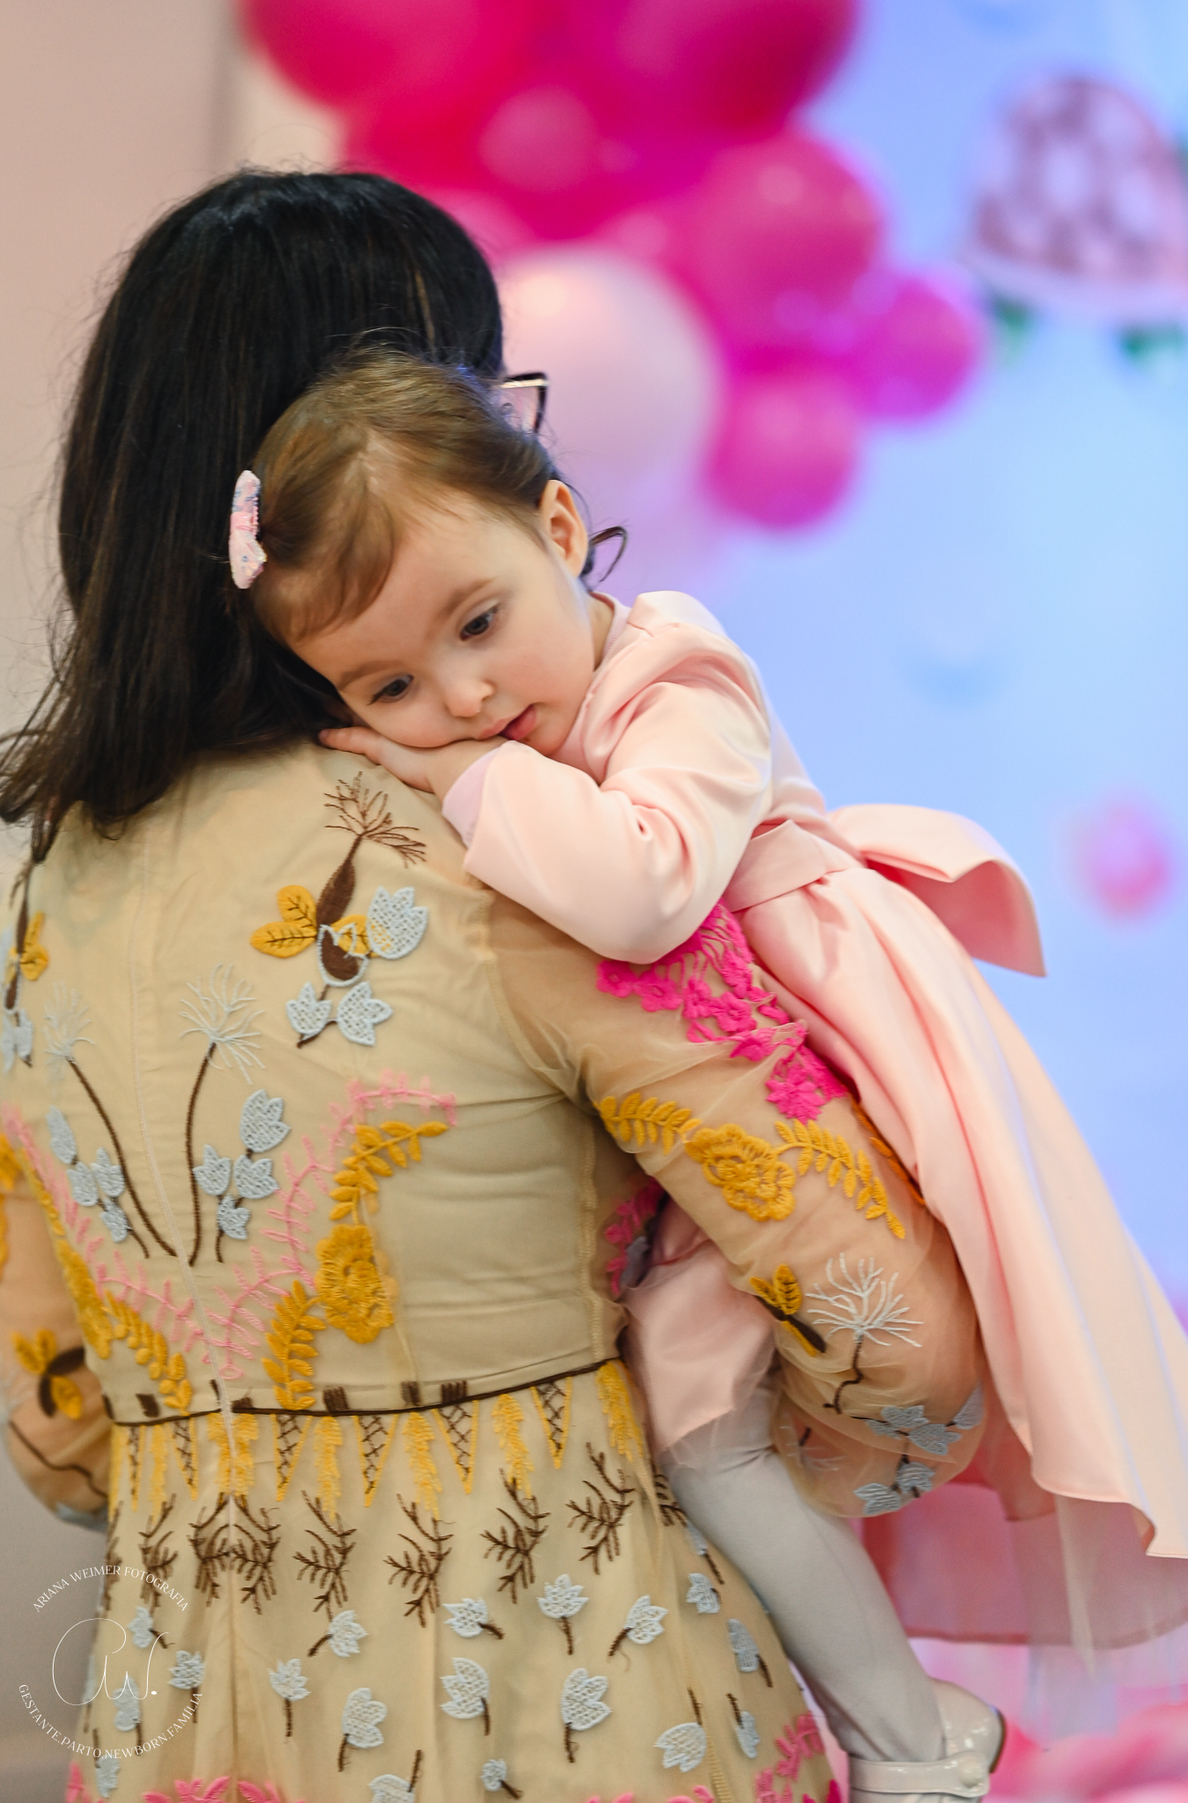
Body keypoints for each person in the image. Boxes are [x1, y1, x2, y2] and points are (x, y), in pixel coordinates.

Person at [0, 172, 997, 1803]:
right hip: (582, 1699)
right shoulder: (515, 839)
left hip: (196, 1719)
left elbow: (60, 1431)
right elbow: (899, 1338)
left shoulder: (59, 883)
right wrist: (735, 1451)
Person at [245, 351, 1188, 1732]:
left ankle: (903, 1726)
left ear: (559, 530)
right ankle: (893, 1720)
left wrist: (470, 779)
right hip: (710, 1078)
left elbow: (641, 891)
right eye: (388, 687)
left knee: (734, 1417)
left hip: (826, 1041)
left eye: (479, 622)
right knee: (693, 1425)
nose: (460, 696)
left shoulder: (676, 670)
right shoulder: (527, 731)